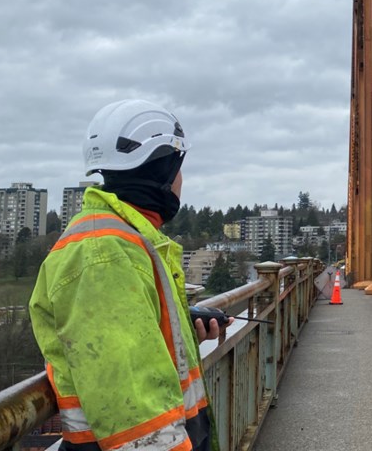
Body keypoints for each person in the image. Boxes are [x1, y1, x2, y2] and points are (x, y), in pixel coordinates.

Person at [29, 99, 232, 451]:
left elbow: (125, 346)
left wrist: (179, 332)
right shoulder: (102, 255)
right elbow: (137, 422)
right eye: (179, 169)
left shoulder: (129, 240)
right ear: (164, 170)